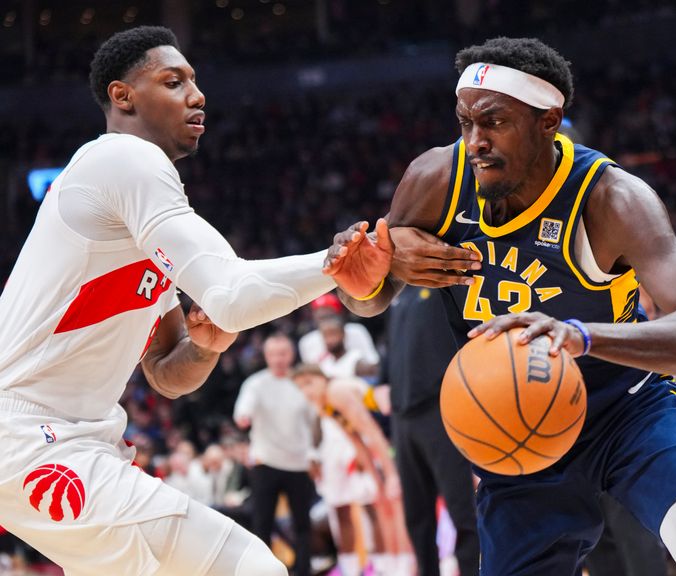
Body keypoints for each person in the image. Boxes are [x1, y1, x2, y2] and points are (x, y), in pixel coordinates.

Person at [338, 37, 676, 575]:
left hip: (627, 413)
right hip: (514, 430)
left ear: (548, 121)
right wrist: (363, 281)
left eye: (494, 122)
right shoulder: (435, 181)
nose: (476, 142)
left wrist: (580, 335)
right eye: (465, 123)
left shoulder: (612, 198)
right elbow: (371, 301)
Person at [0, 26, 391, 576]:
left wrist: (205, 349)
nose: (197, 94)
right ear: (123, 96)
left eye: (196, 80)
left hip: (73, 438)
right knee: (253, 567)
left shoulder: (136, 206)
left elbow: (166, 372)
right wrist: (334, 265)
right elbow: (231, 295)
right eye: (173, 80)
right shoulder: (123, 161)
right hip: (31, 435)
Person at [383, 285, 480, 576]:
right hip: (403, 418)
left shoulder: (443, 287)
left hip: (440, 409)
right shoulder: (398, 295)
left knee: (462, 509)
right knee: (417, 516)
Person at [291, 365, 412, 576]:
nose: (306, 391)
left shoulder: (337, 391)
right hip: (386, 438)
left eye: (309, 383)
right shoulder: (323, 404)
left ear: (322, 378)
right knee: (383, 503)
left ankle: (406, 565)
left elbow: (372, 432)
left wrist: (391, 475)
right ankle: (394, 566)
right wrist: (377, 481)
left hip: (400, 427)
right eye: (300, 388)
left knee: (396, 508)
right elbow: (356, 440)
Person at [234, 333, 319, 576]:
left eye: (283, 353)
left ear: (291, 354)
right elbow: (245, 406)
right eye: (273, 354)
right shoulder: (255, 383)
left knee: (303, 523)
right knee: (262, 523)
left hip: (299, 463)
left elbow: (314, 422)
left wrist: (314, 455)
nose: (279, 359)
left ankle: (304, 570)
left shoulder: (302, 384)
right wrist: (243, 416)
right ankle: (264, 571)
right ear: (266, 356)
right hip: (266, 462)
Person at [298, 293, 380, 368]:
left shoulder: (356, 330)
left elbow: (373, 362)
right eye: (320, 313)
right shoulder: (307, 341)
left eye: (328, 314)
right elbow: (310, 373)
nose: (323, 315)